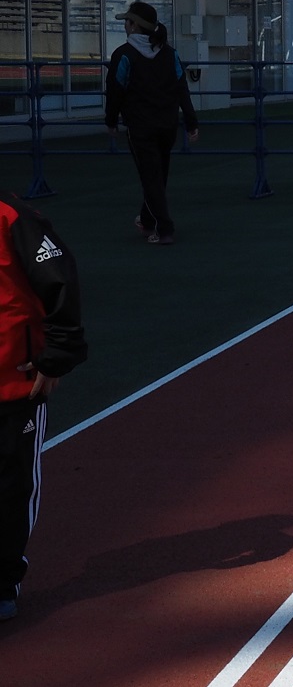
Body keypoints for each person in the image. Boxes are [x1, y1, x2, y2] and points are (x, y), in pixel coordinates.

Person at [0, 192, 85, 622]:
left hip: (13, 385)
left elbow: (59, 278)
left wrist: (57, 353)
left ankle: (2, 584)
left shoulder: (12, 218)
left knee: (11, 487)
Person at [104, 1, 198, 245]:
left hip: (140, 126)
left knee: (150, 176)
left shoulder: (124, 54)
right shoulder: (169, 53)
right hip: (168, 124)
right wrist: (191, 122)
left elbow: (115, 90)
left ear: (134, 26)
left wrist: (111, 121)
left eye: (127, 21)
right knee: (159, 174)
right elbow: (181, 88)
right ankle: (147, 220)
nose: (125, 25)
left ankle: (164, 228)